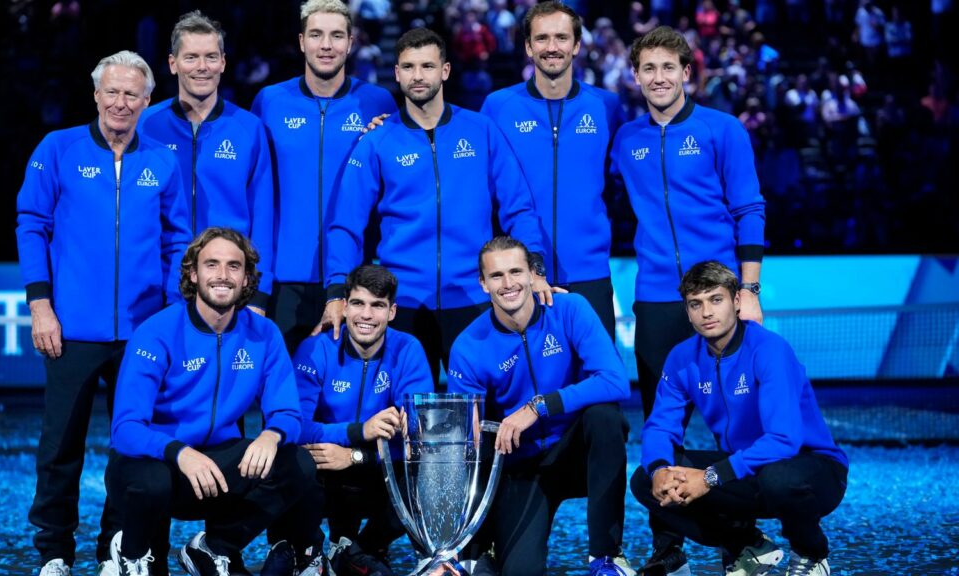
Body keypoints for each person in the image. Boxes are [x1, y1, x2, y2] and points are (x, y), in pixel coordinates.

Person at [16, 50, 191, 576]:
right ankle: (54, 553)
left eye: (131, 94)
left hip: (142, 334)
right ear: (95, 95)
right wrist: (41, 304)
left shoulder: (162, 159)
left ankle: (118, 548)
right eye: (111, 92)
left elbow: (177, 241)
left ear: (146, 101)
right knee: (60, 447)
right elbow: (31, 224)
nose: (120, 102)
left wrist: (168, 318)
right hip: (70, 330)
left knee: (133, 450)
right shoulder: (58, 148)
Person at [609, 25, 766, 575]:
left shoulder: (723, 130)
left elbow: (749, 209)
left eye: (668, 68)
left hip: (722, 294)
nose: (658, 78)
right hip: (655, 297)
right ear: (636, 77)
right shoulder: (625, 138)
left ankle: (739, 537)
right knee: (661, 421)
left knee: (735, 421)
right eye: (648, 69)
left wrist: (748, 291)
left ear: (687, 72)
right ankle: (666, 541)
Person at [322, 27, 554, 384]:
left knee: (487, 420)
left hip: (475, 298)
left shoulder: (481, 130)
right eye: (409, 67)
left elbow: (518, 208)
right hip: (404, 302)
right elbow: (345, 225)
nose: (418, 76)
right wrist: (337, 292)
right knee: (407, 422)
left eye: (427, 66)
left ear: (444, 71)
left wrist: (535, 269)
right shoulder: (376, 141)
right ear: (396, 73)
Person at [106, 227, 328, 576]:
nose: (223, 276)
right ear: (193, 274)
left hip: (216, 468)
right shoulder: (156, 332)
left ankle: (214, 547)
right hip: (159, 464)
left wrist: (271, 435)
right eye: (212, 265)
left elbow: (287, 411)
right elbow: (125, 429)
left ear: (247, 279)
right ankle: (132, 554)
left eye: (234, 266)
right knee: (151, 483)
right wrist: (180, 452)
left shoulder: (263, 333)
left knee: (297, 462)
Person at [631, 261, 848, 576]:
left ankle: (810, 554)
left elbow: (783, 440)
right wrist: (660, 468)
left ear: (735, 301)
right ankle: (749, 546)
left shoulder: (769, 349)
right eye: (696, 304)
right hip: (745, 469)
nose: (707, 312)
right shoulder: (681, 357)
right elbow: (660, 426)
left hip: (812, 469)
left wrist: (709, 477)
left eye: (715, 300)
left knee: (779, 479)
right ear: (687, 311)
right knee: (644, 480)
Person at [447, 236, 635, 576]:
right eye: (497, 276)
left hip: (577, 452)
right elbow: (467, 445)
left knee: (605, 417)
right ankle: (487, 548)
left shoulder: (569, 309)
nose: (508, 284)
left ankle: (605, 558)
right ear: (483, 283)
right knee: (520, 572)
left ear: (533, 275)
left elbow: (615, 380)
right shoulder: (469, 346)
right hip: (523, 466)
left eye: (516, 271)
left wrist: (538, 407)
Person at [251, 0, 396, 353]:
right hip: (284, 278)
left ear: (351, 42)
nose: (326, 45)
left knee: (348, 403)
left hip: (355, 279)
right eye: (316, 35)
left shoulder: (378, 103)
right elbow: (255, 190)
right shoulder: (269, 101)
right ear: (302, 42)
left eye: (336, 36)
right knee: (281, 401)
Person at [480, 1, 624, 341]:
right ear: (529, 47)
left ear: (576, 45)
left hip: (590, 272)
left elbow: (621, 179)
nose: (552, 47)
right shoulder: (498, 107)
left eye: (561, 38)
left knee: (599, 386)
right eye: (542, 38)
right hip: (520, 278)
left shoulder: (606, 105)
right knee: (530, 391)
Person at [293, 264, 434, 576]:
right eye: (358, 303)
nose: (366, 316)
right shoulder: (316, 347)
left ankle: (363, 548)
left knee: (424, 473)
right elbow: (295, 426)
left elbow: (418, 435)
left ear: (392, 311)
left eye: (377, 306)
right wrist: (359, 431)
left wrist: (355, 455)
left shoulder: (408, 349)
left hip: (375, 469)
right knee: (292, 460)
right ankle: (304, 551)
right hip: (327, 470)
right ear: (344, 306)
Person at [140, 10, 274, 314]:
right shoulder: (146, 125)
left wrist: (259, 294)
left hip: (229, 288)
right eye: (191, 57)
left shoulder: (249, 128)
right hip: (157, 286)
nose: (202, 67)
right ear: (173, 64)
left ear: (223, 63)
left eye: (211, 57)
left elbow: (263, 217)